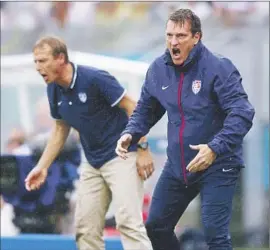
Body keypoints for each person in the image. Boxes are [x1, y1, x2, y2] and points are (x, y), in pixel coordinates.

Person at [116, 8, 255, 250]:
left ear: (196, 37)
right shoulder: (159, 69)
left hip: (219, 163)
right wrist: (131, 132)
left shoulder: (218, 68)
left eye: (180, 36)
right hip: (179, 165)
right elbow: (146, 110)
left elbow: (243, 112)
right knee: (156, 226)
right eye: (169, 35)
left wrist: (214, 148)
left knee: (215, 235)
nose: (173, 42)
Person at [24, 36, 154, 250]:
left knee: (129, 224)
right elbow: (60, 129)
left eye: (43, 60)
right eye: (36, 61)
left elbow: (134, 107)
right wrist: (42, 166)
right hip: (93, 162)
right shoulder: (53, 88)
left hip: (122, 155)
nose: (38, 67)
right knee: (85, 229)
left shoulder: (94, 78)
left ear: (60, 59)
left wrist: (142, 148)